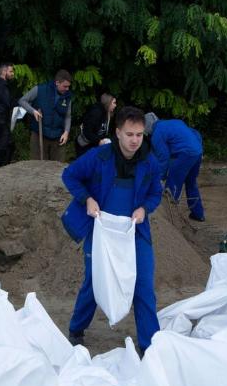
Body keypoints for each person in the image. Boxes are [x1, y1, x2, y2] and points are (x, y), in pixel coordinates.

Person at [61, 106, 162, 354]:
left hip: (134, 231)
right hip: (102, 231)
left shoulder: (150, 161)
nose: (135, 140)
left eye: (139, 135)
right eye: (129, 134)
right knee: (94, 281)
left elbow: (155, 193)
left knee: (143, 284)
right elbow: (70, 175)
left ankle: (149, 345)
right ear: (117, 132)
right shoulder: (99, 157)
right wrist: (87, 199)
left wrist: (144, 209)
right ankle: (76, 329)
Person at [144, 112, 205, 221]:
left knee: (172, 183)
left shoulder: (157, 133)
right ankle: (198, 214)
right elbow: (195, 133)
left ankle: (171, 219)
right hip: (198, 151)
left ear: (147, 127)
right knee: (191, 183)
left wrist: (160, 177)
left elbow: (164, 158)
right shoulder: (174, 122)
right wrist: (198, 148)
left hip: (186, 154)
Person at [18, 69, 73, 161]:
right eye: (65, 86)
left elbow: (68, 116)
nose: (67, 89)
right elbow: (22, 101)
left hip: (58, 137)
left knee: (57, 169)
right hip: (39, 134)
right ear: (57, 83)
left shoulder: (67, 97)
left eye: (68, 87)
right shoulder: (40, 89)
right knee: (37, 167)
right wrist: (33, 111)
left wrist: (66, 132)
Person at [75, 93, 116, 158]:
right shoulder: (96, 113)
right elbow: (87, 132)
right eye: (114, 103)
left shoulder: (108, 114)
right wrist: (99, 141)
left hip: (95, 146)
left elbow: (104, 132)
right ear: (108, 103)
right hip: (85, 146)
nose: (115, 105)